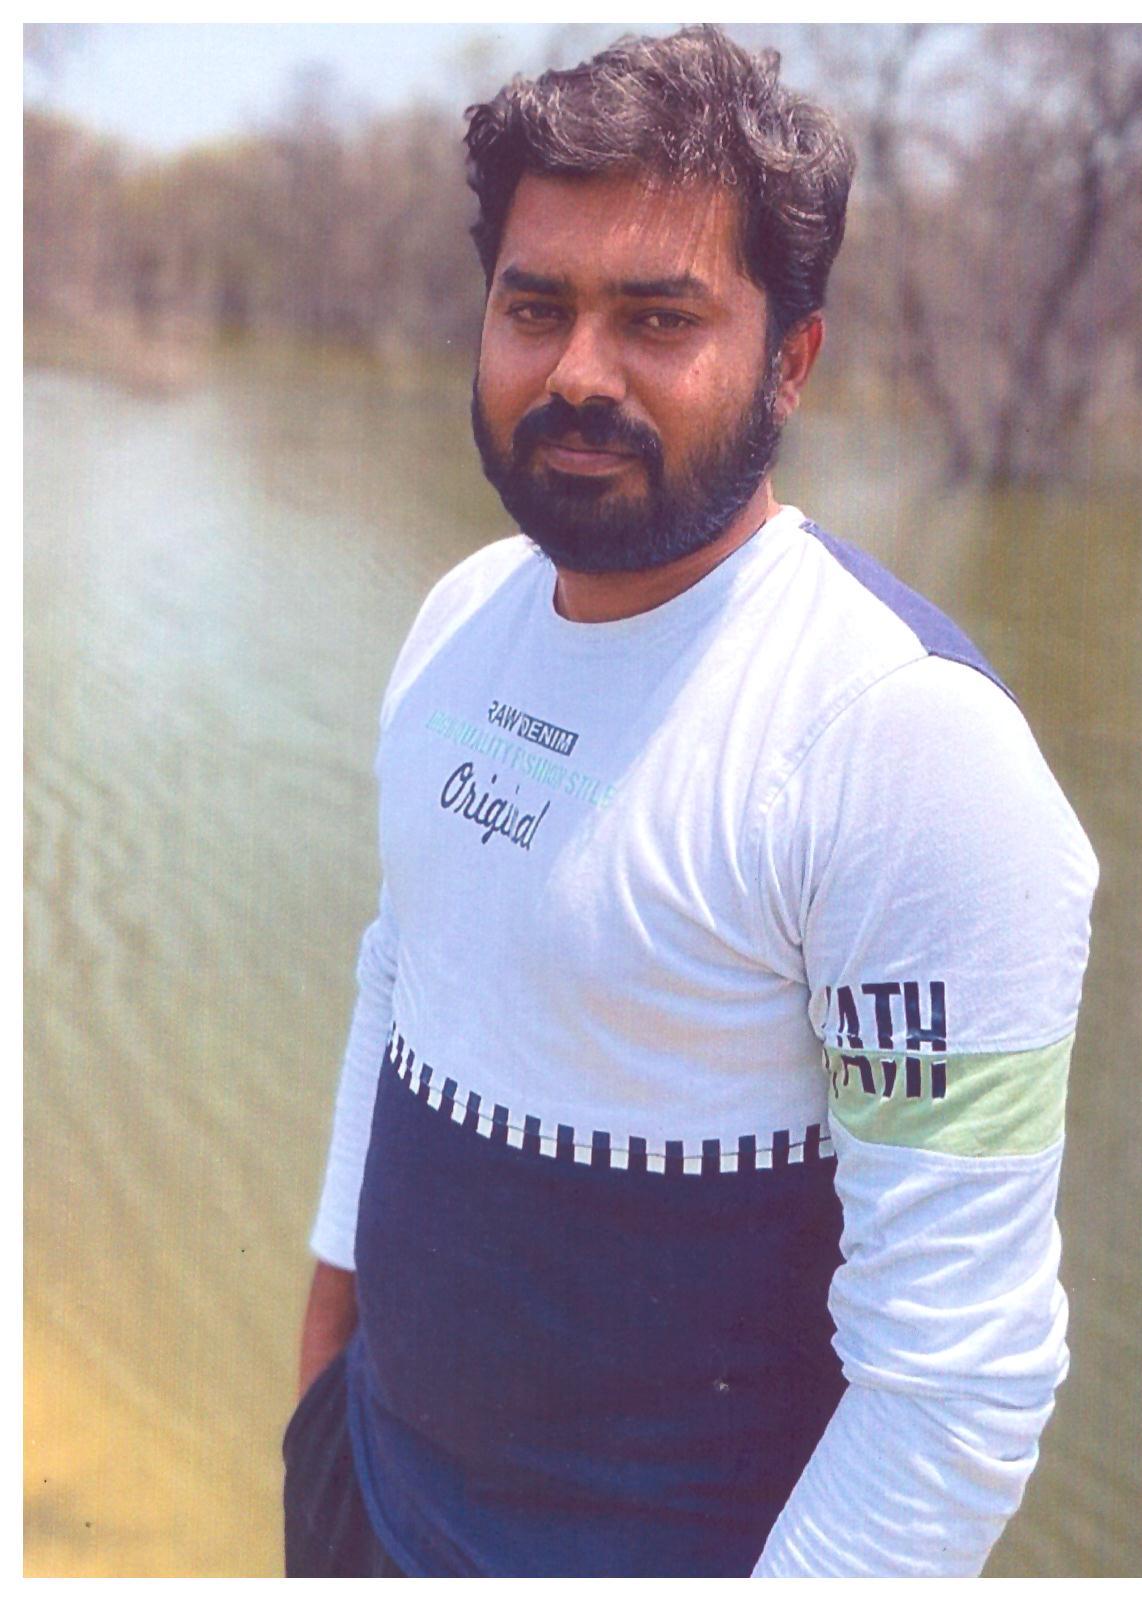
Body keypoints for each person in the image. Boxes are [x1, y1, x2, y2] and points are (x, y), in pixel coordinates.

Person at [283, 24, 1098, 1579]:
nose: (578, 372)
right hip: (364, 1502)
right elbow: (399, 975)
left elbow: (958, 1389)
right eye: (535, 307)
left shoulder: (904, 744)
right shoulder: (460, 615)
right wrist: (320, 1384)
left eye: (659, 319)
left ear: (792, 360)